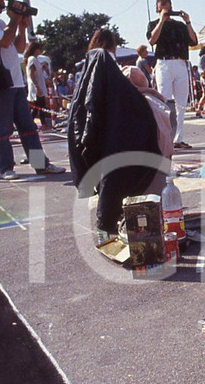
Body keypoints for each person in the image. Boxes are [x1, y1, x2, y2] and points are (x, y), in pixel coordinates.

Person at [68, 30, 164, 241]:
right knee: (117, 173)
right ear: (112, 47)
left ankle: (108, 223)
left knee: (108, 176)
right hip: (114, 136)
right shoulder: (107, 64)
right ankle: (109, 224)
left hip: (94, 135)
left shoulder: (89, 66)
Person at [0, 0, 66, 180]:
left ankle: (40, 164)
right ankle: (6, 167)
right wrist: (13, 20)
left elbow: (18, 47)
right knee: (2, 128)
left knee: (28, 127)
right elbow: (4, 41)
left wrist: (21, 27)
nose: (1, 4)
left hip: (15, 81)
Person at [148, 0, 197, 149]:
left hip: (180, 63)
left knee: (181, 103)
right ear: (157, 8)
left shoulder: (180, 26)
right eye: (162, 7)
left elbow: (194, 41)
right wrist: (161, 21)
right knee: (164, 101)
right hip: (163, 63)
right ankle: (165, 138)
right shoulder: (153, 24)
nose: (165, 9)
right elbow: (152, 40)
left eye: (167, 7)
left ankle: (178, 138)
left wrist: (188, 22)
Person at [24, 40, 51, 131]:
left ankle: (38, 124)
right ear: (35, 50)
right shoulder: (32, 59)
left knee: (39, 107)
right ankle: (37, 124)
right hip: (36, 88)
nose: (41, 50)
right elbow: (31, 74)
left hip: (39, 86)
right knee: (39, 107)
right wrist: (37, 87)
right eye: (39, 49)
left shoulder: (35, 60)